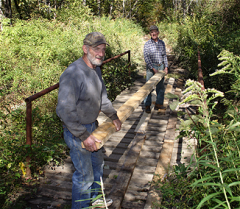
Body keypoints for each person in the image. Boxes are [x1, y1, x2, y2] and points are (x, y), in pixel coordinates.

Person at [56, 32, 122, 209]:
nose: (101, 53)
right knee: (84, 175)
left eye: (103, 49)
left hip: (93, 126)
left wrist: (114, 116)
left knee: (98, 165)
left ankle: (95, 199)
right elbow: (64, 110)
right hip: (77, 131)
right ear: (85, 49)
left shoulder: (96, 69)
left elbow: (102, 98)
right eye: (96, 49)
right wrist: (84, 136)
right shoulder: (73, 74)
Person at [143, 25, 168, 113]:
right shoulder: (147, 44)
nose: (154, 33)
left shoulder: (162, 43)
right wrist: (153, 68)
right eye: (152, 32)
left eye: (155, 31)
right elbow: (146, 57)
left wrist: (166, 67)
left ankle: (159, 104)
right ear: (150, 34)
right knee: (148, 87)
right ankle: (147, 105)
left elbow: (164, 55)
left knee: (160, 86)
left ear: (158, 32)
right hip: (151, 67)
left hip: (160, 66)